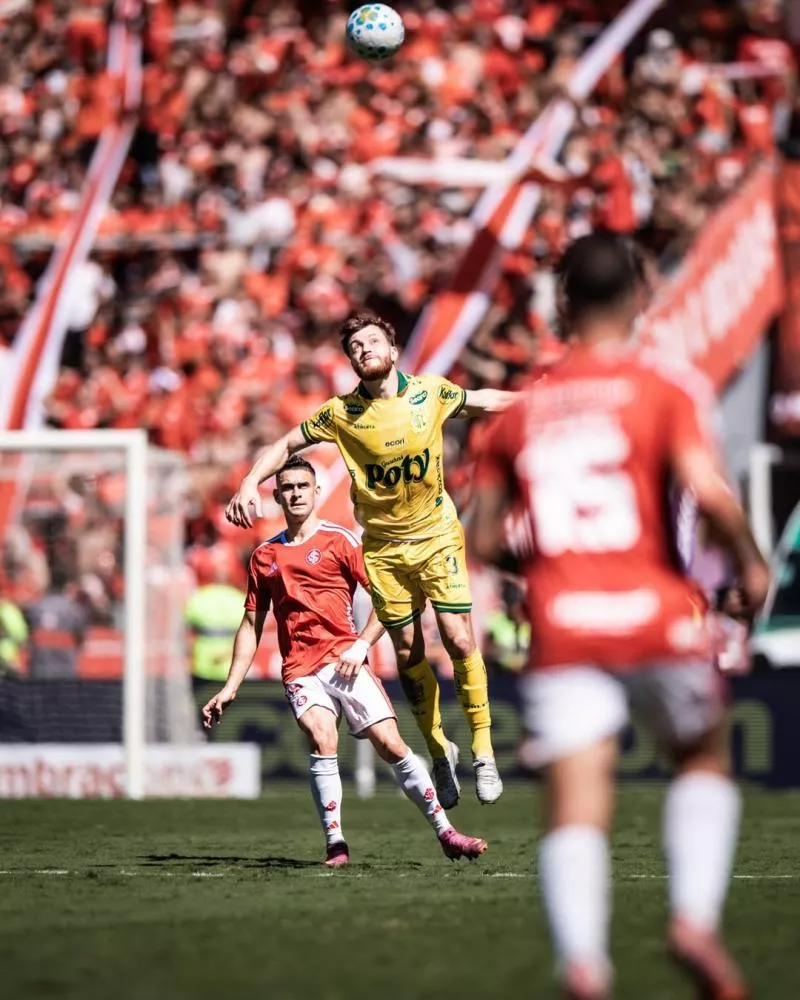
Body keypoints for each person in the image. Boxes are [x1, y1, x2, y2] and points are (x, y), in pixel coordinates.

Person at [468, 232, 769, 1000]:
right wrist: (750, 565)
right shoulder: (663, 388)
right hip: (657, 613)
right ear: (640, 297)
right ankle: (693, 919)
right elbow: (708, 492)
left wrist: (537, 574)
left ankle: (584, 963)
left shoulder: (518, 416)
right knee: (700, 760)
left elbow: (480, 539)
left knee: (575, 802)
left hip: (565, 622)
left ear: (562, 302)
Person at [226, 310, 516, 808]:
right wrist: (251, 481)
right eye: (355, 346)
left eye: (372, 341)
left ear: (393, 350)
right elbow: (284, 443)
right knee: (405, 653)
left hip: (437, 535)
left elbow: (483, 401)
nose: (363, 350)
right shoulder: (341, 413)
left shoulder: (430, 392)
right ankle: (438, 750)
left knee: (459, 636)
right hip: (381, 545)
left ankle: (484, 751)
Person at [204, 455, 488, 867]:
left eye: (303, 486)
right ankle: (336, 843)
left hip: (346, 661)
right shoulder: (265, 556)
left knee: (391, 746)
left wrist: (362, 645)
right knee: (323, 737)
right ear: (277, 496)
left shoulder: (342, 541)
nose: (296, 493)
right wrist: (230, 688)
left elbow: (386, 597)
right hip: (301, 669)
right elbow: (251, 624)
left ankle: (446, 832)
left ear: (316, 492)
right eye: (288, 488)